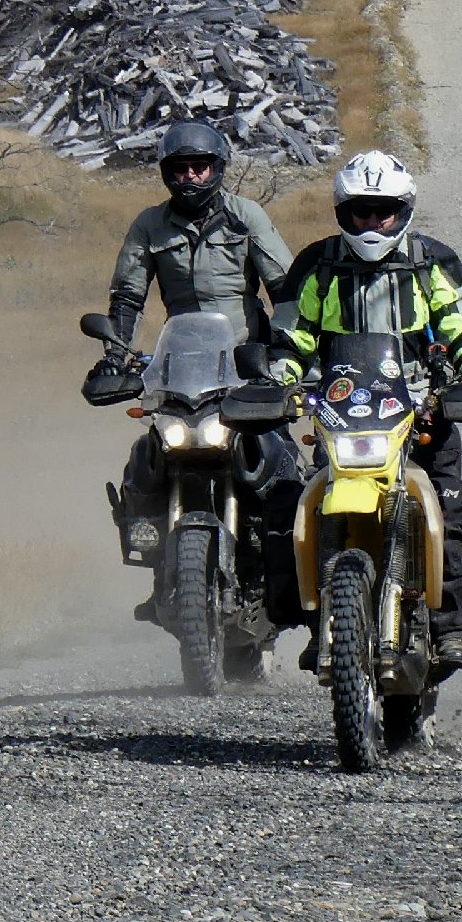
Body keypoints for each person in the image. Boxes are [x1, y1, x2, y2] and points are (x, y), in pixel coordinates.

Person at [268, 149, 462, 668]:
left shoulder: (432, 261)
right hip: (339, 415)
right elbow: (290, 337)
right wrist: (279, 379)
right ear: (343, 211)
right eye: (361, 211)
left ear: (403, 210)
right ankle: (318, 624)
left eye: (383, 211)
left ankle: (453, 627)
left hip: (422, 410)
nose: (372, 222)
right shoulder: (316, 265)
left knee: (450, 507)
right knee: (297, 506)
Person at [92, 121, 302, 597]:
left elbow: (285, 289)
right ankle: (152, 552)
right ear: (167, 173)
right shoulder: (149, 225)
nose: (190, 176)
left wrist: (286, 351)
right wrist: (115, 355)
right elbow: (127, 296)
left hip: (247, 364)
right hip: (183, 364)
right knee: (147, 457)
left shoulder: (245, 216)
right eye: (181, 168)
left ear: (218, 168)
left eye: (200, 167)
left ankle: (287, 569)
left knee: (283, 462)